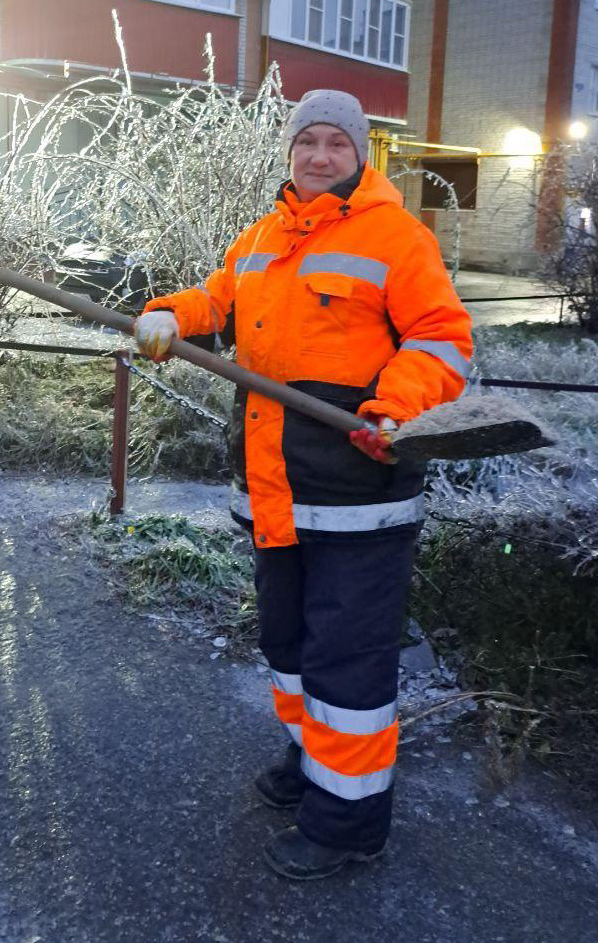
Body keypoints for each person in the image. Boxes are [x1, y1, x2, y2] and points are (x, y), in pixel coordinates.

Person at [134, 90, 473, 880]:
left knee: (346, 661)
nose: (320, 157)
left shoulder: (396, 237)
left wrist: (393, 408)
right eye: (306, 143)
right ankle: (311, 761)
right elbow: (218, 297)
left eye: (336, 144)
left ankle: (350, 821)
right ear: (289, 154)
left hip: (359, 492)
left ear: (361, 156)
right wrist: (166, 316)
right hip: (274, 490)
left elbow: (442, 340)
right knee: (286, 643)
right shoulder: (260, 241)